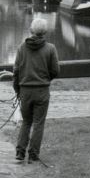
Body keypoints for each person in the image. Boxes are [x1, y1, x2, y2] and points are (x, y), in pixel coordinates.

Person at [12, 16, 59, 164]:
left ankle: (20, 152)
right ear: (45, 32)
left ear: (31, 30)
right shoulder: (50, 49)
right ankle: (33, 155)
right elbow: (55, 71)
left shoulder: (21, 48)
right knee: (39, 123)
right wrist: (46, 80)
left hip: (25, 90)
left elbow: (16, 72)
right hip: (42, 90)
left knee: (26, 121)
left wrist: (17, 90)